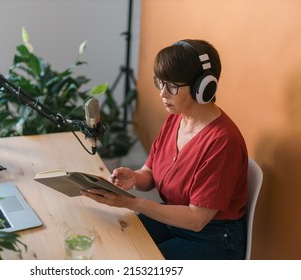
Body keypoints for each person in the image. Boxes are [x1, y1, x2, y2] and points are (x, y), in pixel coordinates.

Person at [82, 39, 248, 260]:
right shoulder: (176, 119)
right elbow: (150, 173)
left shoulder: (222, 142)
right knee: (115, 240)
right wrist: (134, 177)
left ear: (203, 88)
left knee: (137, 262)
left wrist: (133, 203)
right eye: (160, 82)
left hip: (212, 238)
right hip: (173, 219)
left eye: (172, 86)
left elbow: (197, 219)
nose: (162, 93)